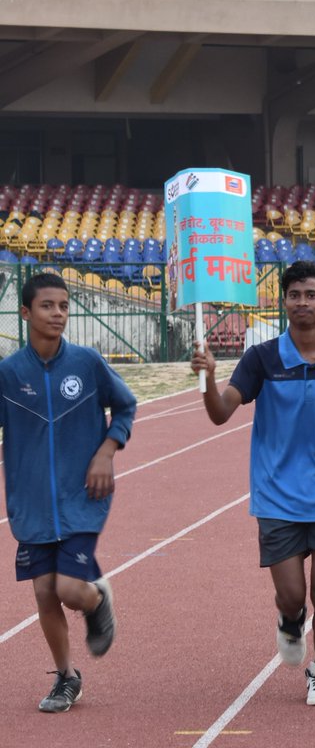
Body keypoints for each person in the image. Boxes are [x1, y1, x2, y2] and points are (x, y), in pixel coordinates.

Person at [191, 260, 315, 706]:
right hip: (276, 495)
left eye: (311, 295)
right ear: (283, 300)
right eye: (294, 295)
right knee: (293, 595)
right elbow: (221, 413)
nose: (302, 303)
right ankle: (290, 620)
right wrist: (208, 378)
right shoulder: (263, 358)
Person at [0, 273, 133, 713]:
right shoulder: (7, 374)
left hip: (82, 498)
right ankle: (66, 677)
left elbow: (126, 405)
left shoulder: (88, 363)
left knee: (70, 590)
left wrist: (107, 451)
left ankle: (98, 599)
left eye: (63, 305)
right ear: (25, 313)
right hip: (31, 504)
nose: (58, 314)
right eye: (47, 306)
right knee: (43, 592)